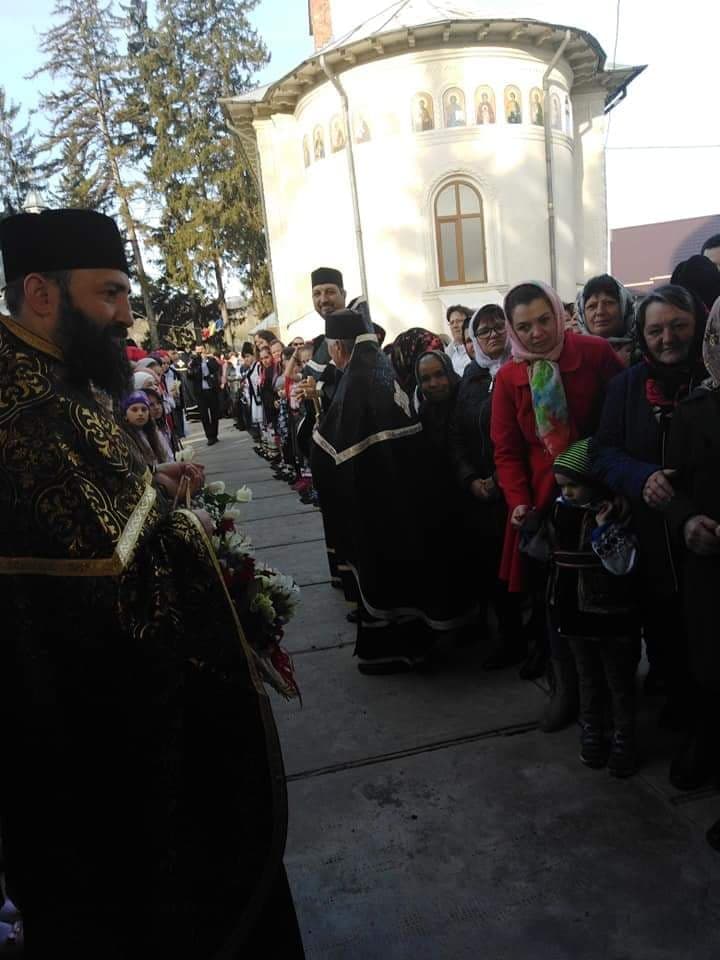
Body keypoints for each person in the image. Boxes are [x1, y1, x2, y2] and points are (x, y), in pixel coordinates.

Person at [0, 208, 303, 958]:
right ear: (42, 293)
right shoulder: (27, 410)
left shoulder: (54, 377)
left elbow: (104, 518)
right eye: (108, 294)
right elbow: (111, 591)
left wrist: (151, 486)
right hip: (98, 746)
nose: (126, 314)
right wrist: (188, 536)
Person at [491, 281, 623, 731]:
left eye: (544, 319)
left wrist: (600, 483)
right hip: (544, 508)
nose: (536, 333)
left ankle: (614, 697)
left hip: (601, 496)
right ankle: (567, 691)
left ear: (559, 313)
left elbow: (619, 422)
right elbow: (506, 451)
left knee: (608, 601)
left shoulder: (595, 353)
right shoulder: (508, 377)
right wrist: (519, 503)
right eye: (524, 326)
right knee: (554, 604)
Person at [311, 308, 472, 674]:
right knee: (408, 573)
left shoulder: (356, 382)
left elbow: (331, 447)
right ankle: (418, 644)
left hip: (377, 501)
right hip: (406, 494)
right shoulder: (381, 370)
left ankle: (395, 653)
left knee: (387, 577)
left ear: (338, 347)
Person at [591, 284, 708, 787]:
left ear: (699, 325)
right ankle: (688, 721)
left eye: (679, 326)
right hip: (652, 539)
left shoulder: (712, 376)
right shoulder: (628, 386)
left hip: (707, 536)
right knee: (663, 636)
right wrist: (640, 477)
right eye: (656, 329)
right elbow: (601, 453)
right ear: (641, 334)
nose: (668, 338)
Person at [549, 439, 641, 777]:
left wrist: (604, 531)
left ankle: (624, 737)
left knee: (618, 680)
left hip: (610, 616)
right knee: (587, 677)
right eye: (563, 486)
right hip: (573, 615)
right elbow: (544, 549)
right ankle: (592, 730)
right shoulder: (559, 510)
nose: (568, 492)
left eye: (574, 485)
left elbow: (622, 563)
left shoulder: (614, 514)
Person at [665, 296, 720, 846]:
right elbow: (674, 484)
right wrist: (685, 522)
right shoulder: (694, 409)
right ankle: (705, 743)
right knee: (707, 666)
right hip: (707, 561)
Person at [449, 304, 527, 670]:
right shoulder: (470, 378)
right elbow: (457, 435)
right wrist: (470, 479)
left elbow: (526, 435)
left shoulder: (525, 369)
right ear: (474, 340)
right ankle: (507, 640)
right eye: (485, 331)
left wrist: (500, 478)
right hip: (481, 495)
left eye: (500, 328)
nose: (493, 336)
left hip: (517, 490)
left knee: (525, 572)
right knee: (493, 573)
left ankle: (533, 644)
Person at [575, 274, 636, 366]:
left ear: (624, 308)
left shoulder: (646, 350)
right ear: (582, 314)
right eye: (592, 306)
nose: (600, 312)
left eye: (608, 303)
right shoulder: (572, 353)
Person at [188, 343, 222, 445]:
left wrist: (205, 360)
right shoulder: (193, 362)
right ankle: (209, 436)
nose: (200, 353)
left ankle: (214, 434)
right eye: (198, 352)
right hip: (200, 392)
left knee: (214, 413)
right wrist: (193, 366)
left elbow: (215, 368)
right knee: (204, 415)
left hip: (211, 390)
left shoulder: (210, 359)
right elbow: (190, 376)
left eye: (201, 351)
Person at [122, 389, 166, 467]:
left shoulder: (152, 433)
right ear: (125, 415)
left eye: (144, 409)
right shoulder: (124, 438)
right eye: (134, 410)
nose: (140, 413)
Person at [444, 304, 473, 376]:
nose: (455, 326)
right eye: (452, 322)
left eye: (458, 321)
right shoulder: (447, 354)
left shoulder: (477, 350)